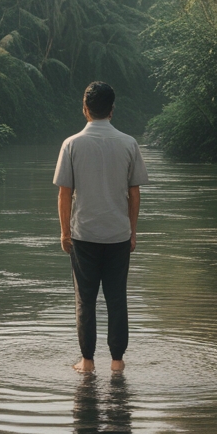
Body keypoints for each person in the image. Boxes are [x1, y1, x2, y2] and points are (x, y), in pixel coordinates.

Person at [53, 81, 149, 373]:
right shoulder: (129, 143)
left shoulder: (71, 144)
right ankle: (117, 362)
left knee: (86, 300)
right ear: (112, 110)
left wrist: (65, 233)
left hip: (84, 235)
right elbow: (134, 193)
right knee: (117, 299)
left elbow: (64, 193)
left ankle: (87, 362)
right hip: (118, 235)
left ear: (85, 109)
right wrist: (132, 231)